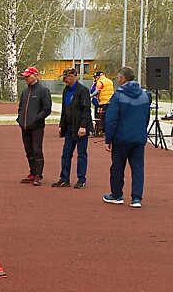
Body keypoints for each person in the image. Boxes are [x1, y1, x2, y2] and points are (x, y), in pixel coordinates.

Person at [103, 67, 151, 208]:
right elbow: (146, 118)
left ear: (123, 79)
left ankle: (117, 195)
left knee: (117, 167)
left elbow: (111, 119)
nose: (117, 79)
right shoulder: (144, 95)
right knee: (138, 168)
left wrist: (108, 139)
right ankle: (136, 198)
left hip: (121, 138)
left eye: (118, 77)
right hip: (138, 138)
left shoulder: (118, 95)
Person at [51, 68, 92, 189]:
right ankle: (64, 178)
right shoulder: (66, 90)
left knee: (81, 154)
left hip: (80, 128)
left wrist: (83, 126)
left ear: (74, 76)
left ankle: (81, 179)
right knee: (66, 153)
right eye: (64, 77)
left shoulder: (82, 90)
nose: (65, 79)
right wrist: (61, 125)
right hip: (69, 127)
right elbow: (64, 110)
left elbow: (86, 110)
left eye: (67, 77)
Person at [16, 66, 52, 186]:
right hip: (25, 126)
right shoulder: (25, 92)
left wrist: (36, 119)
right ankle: (32, 172)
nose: (26, 78)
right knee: (28, 150)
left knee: (37, 150)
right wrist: (20, 119)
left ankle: (38, 175)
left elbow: (47, 109)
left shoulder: (43, 90)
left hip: (37, 127)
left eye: (28, 76)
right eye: (25, 76)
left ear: (35, 75)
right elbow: (21, 107)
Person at [91, 71, 115, 135]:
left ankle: (101, 131)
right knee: (108, 117)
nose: (94, 78)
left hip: (103, 102)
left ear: (98, 77)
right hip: (110, 101)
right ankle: (107, 131)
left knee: (101, 117)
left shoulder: (100, 82)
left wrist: (90, 96)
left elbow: (97, 91)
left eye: (95, 77)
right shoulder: (109, 81)